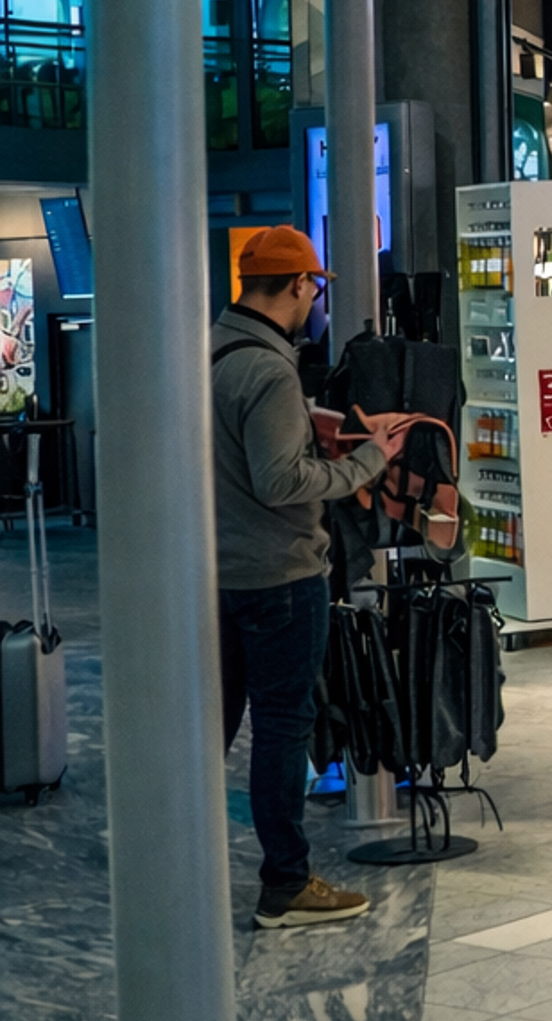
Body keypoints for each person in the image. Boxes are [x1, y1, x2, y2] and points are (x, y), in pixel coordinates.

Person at [211, 226, 412, 928]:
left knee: (214, 724)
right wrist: (367, 461)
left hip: (221, 571)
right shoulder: (270, 371)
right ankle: (286, 884)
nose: (314, 301)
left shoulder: (214, 350)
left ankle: (185, 866)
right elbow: (280, 481)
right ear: (299, 285)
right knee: (281, 728)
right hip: (279, 575)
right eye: (314, 288)